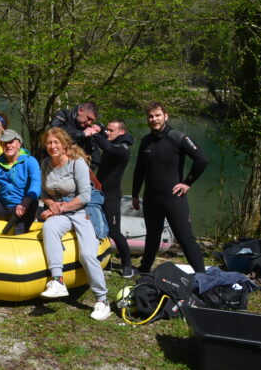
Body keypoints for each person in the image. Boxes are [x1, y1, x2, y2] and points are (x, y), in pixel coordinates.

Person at [38, 127, 111, 321]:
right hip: (61, 209)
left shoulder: (76, 163)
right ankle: (58, 280)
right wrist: (52, 205)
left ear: (64, 144)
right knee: (49, 227)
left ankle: (102, 300)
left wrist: (60, 208)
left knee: (87, 254)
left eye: (56, 142)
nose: (52, 146)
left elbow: (85, 196)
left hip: (80, 210)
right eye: (49, 143)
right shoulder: (45, 163)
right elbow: (44, 193)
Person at [132, 102, 208, 274]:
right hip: (151, 198)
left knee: (185, 238)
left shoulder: (178, 137)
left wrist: (187, 183)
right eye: (151, 116)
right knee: (152, 236)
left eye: (157, 115)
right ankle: (144, 270)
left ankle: (202, 276)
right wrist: (136, 194)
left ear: (165, 116)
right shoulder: (146, 141)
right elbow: (139, 170)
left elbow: (202, 159)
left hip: (173, 198)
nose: (154, 119)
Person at [93, 119, 135, 278]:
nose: (107, 133)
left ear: (121, 132)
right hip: (98, 193)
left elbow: (107, 147)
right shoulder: (113, 142)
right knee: (97, 229)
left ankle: (127, 265)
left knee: (114, 231)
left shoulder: (122, 149)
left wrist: (94, 133)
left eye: (111, 131)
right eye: (107, 130)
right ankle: (106, 261)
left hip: (112, 196)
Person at [50, 101, 102, 167]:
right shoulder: (64, 114)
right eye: (88, 118)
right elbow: (54, 131)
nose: (89, 122)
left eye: (92, 121)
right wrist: (82, 134)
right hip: (54, 163)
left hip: (75, 168)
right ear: (80, 111)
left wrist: (86, 170)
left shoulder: (87, 127)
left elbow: (95, 157)